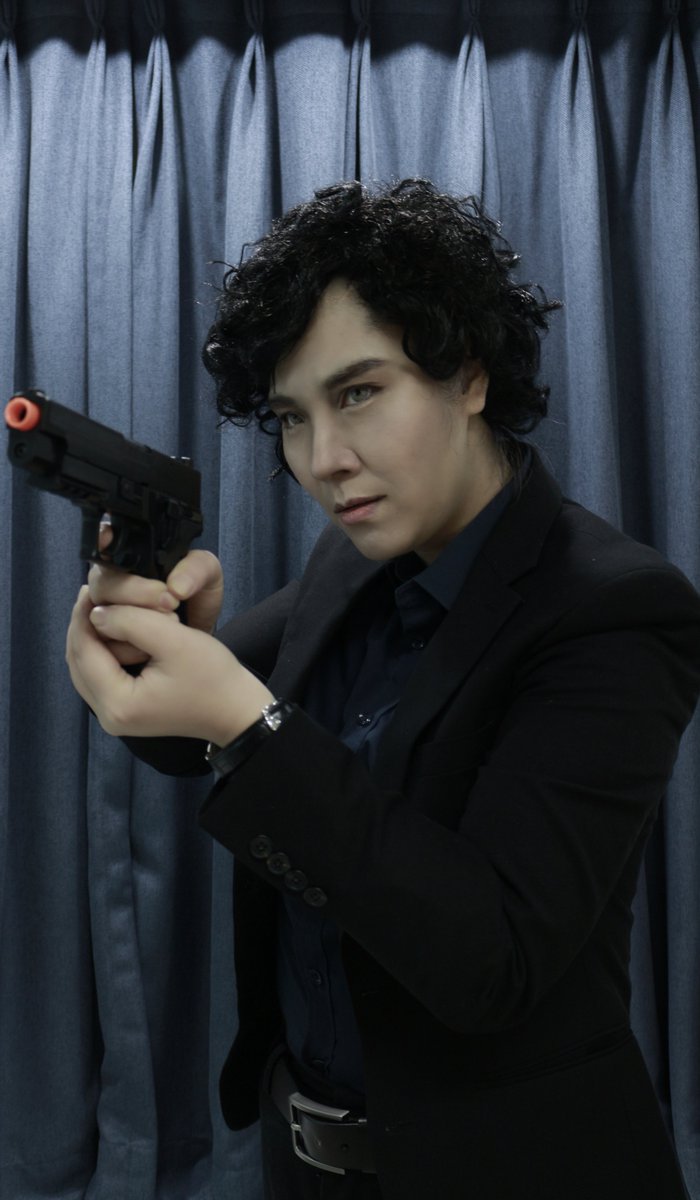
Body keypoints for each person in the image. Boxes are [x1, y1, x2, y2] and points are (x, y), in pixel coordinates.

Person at [66, 179, 700, 1200]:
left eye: (359, 393)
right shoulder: (355, 561)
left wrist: (242, 718)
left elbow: (492, 961)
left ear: (470, 374)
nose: (325, 461)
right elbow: (186, 734)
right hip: (308, 1167)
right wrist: (142, 629)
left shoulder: (615, 609)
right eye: (291, 417)